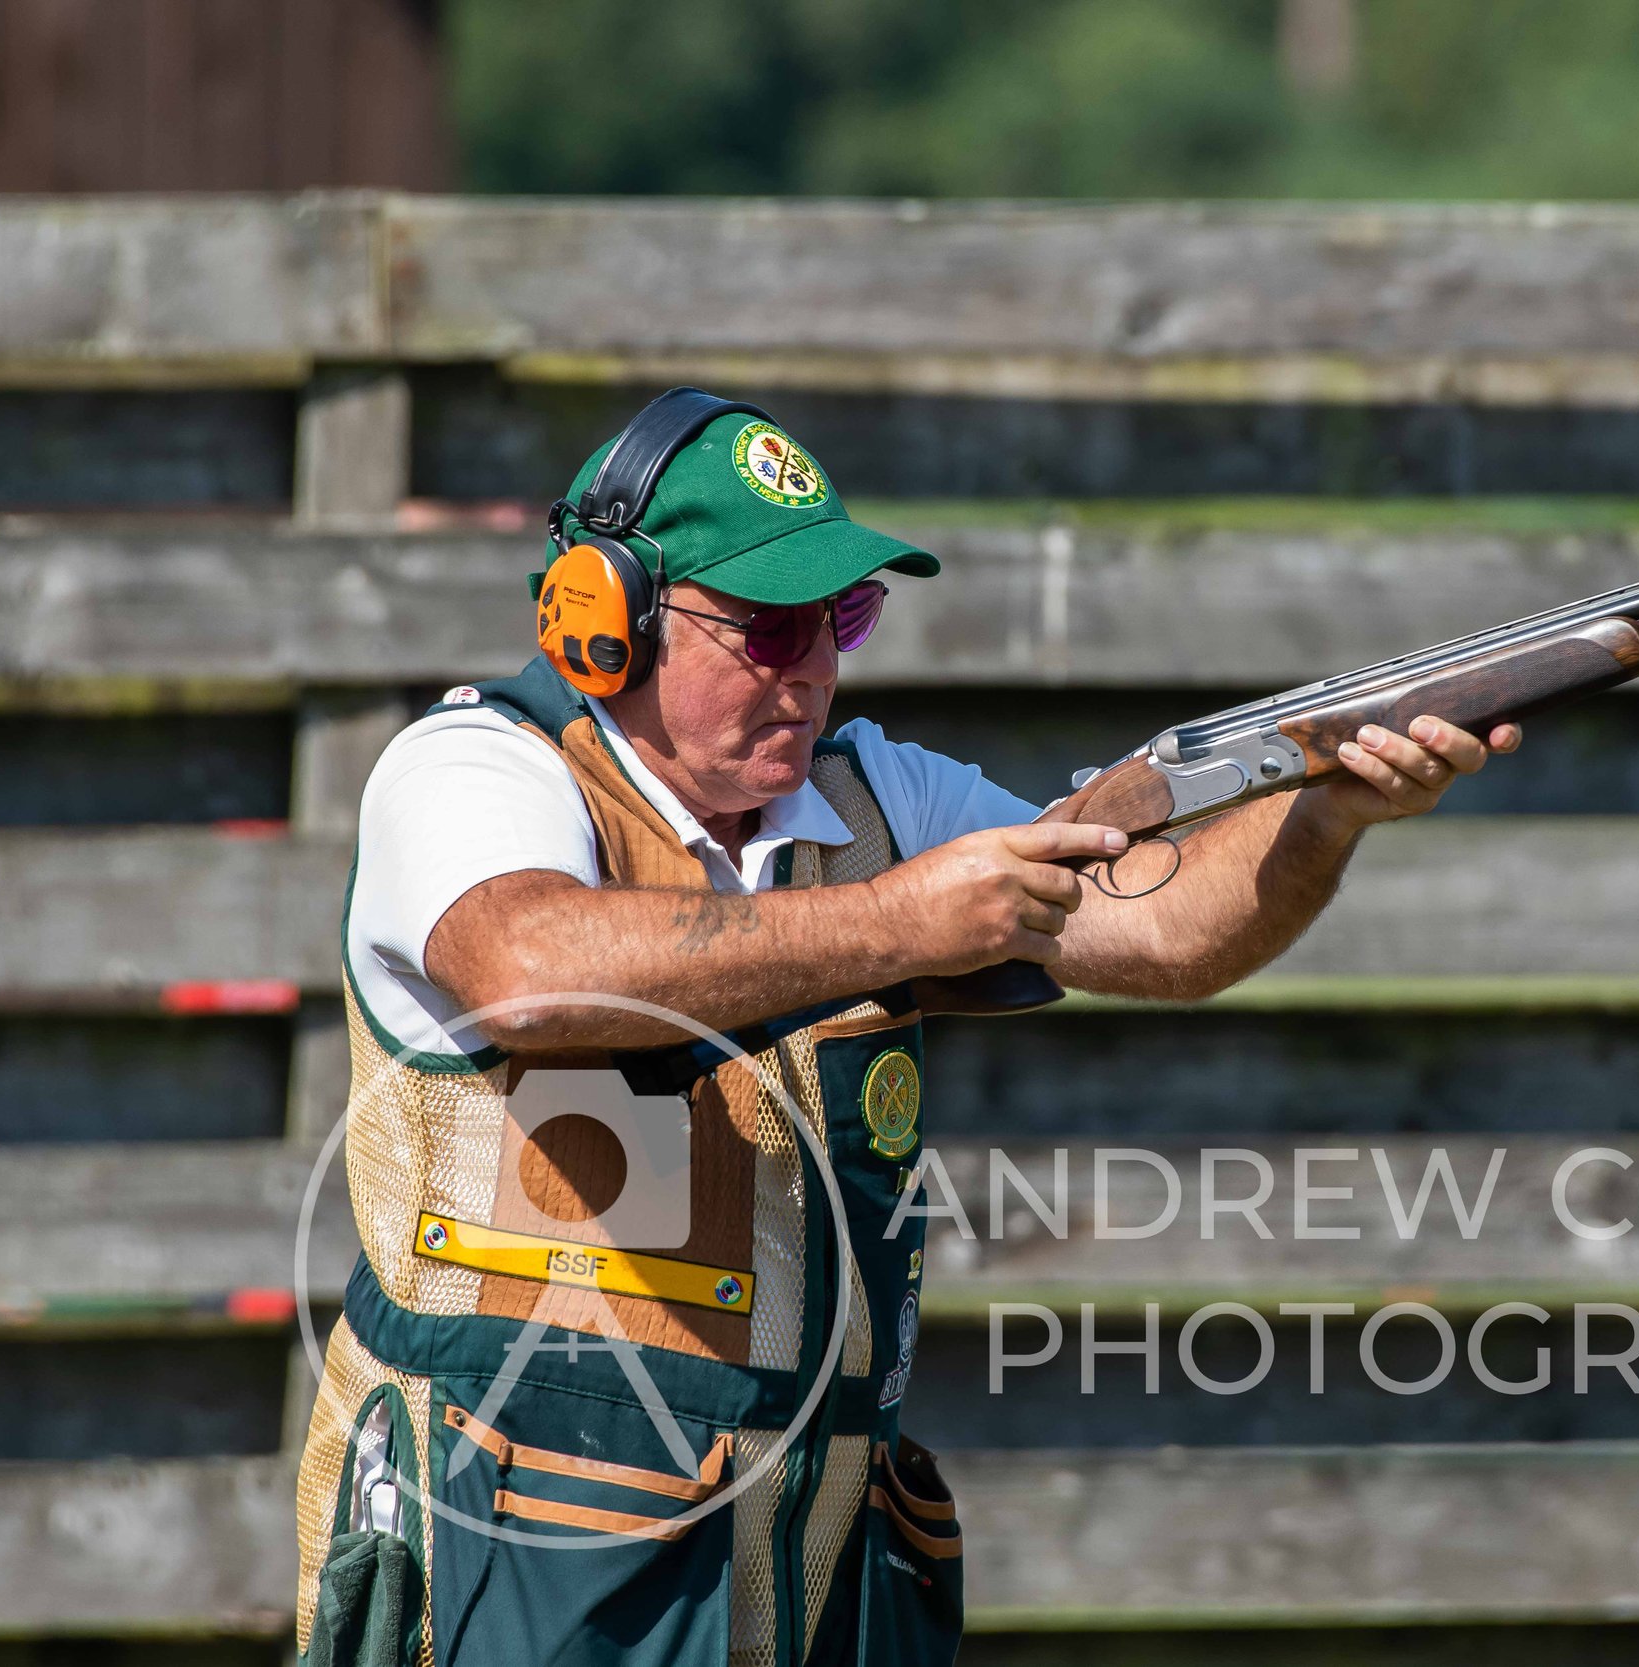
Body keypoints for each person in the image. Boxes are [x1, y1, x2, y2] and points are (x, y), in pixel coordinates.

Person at [291, 389, 1518, 1667]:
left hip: (810, 1553)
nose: (813, 668)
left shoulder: (872, 795)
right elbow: (527, 973)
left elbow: (1158, 930)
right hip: (517, 1562)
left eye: (842, 618)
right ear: (607, 622)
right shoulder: (476, 768)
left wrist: (1323, 813)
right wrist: (899, 922)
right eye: (769, 627)